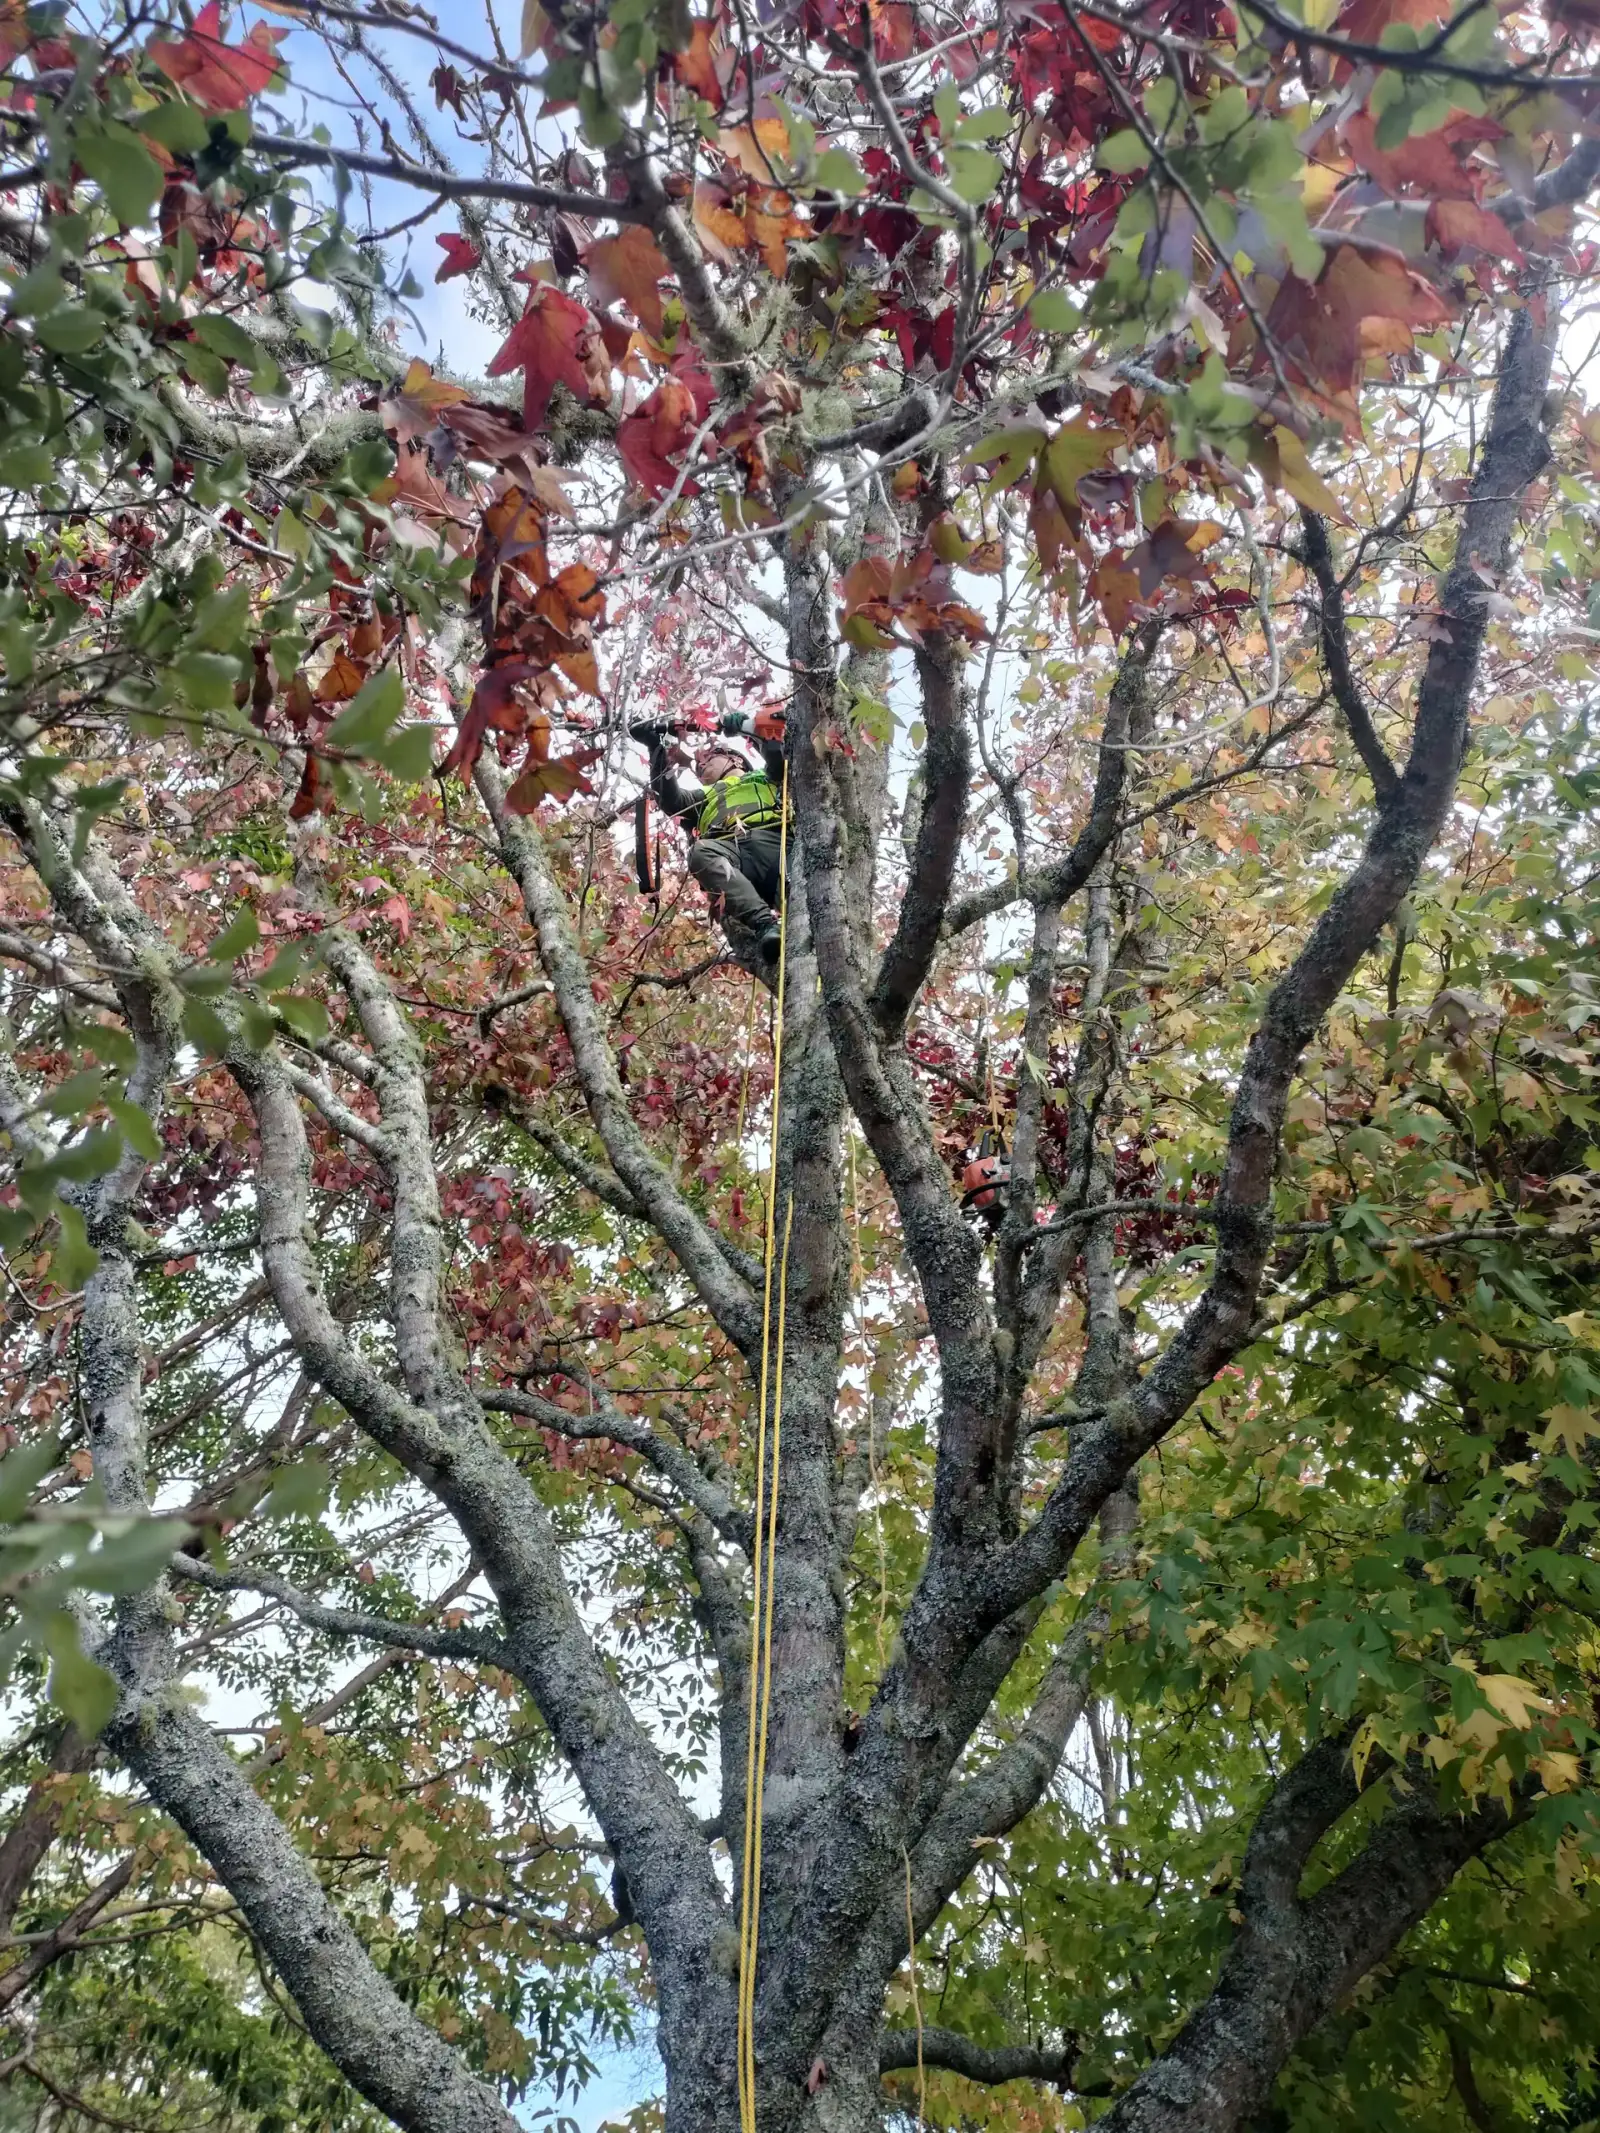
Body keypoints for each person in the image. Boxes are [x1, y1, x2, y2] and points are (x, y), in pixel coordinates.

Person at [633, 711, 787, 965]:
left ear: (736, 760)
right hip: (734, 857)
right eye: (701, 763)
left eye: (709, 759)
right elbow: (671, 800)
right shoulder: (706, 796)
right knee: (701, 851)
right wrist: (655, 747)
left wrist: (746, 728)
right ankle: (765, 925)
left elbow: (778, 753)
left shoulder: (766, 777)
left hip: (779, 845)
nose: (702, 765)